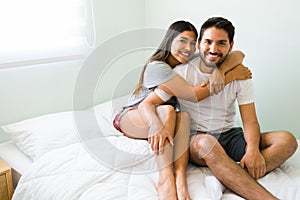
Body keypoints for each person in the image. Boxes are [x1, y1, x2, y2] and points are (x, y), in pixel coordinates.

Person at [113, 20, 251, 200]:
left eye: (193, 43)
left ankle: (180, 179)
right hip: (134, 114)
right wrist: (230, 75)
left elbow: (239, 54)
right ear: (170, 41)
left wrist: (220, 71)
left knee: (183, 116)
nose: (188, 48)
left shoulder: (187, 61)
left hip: (162, 112)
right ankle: (165, 179)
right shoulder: (158, 67)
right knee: (168, 111)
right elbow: (193, 95)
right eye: (182, 41)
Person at [169, 17, 298, 200]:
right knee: (206, 143)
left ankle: (225, 177)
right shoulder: (180, 73)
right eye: (208, 42)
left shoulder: (240, 75)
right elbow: (154, 100)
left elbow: (250, 121)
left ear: (231, 45)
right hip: (198, 139)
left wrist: (252, 149)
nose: (213, 49)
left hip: (230, 136)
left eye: (221, 43)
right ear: (199, 43)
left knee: (287, 140)